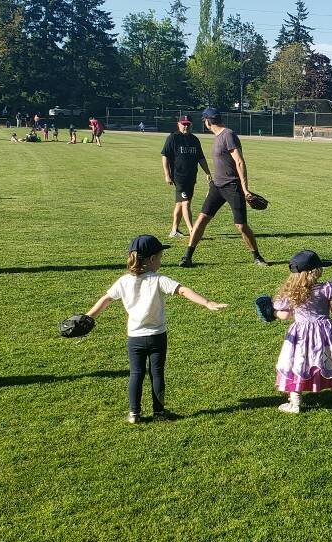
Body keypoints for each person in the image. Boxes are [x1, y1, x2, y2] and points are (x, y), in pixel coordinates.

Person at [82, 235, 226, 423]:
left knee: (136, 374)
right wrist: (207, 302)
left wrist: (87, 317)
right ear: (151, 259)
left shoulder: (124, 281)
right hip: (157, 336)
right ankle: (159, 413)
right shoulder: (158, 279)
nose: (160, 261)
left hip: (134, 338)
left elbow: (106, 299)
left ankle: (134, 413)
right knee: (157, 373)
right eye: (160, 257)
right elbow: (183, 290)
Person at [178, 107, 268, 268]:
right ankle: (187, 257)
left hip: (232, 186)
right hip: (217, 186)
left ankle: (257, 257)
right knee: (202, 219)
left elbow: (239, 161)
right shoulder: (218, 137)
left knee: (241, 225)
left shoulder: (228, 135)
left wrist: (245, 189)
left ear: (207, 121)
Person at [273, 250, 332, 413]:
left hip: (301, 335)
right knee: (329, 360)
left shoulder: (293, 292)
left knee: (297, 363)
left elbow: (285, 315)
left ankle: (295, 402)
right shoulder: (326, 288)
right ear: (315, 271)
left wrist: (273, 312)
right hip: (325, 332)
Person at [160, 115, 211, 239]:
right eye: (183, 124)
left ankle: (174, 230)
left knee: (180, 204)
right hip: (179, 176)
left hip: (191, 176)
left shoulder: (194, 139)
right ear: (178, 124)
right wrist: (167, 175)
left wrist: (208, 172)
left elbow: (201, 158)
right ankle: (192, 230)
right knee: (186, 203)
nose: (186, 126)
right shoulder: (173, 138)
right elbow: (165, 155)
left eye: (188, 124)